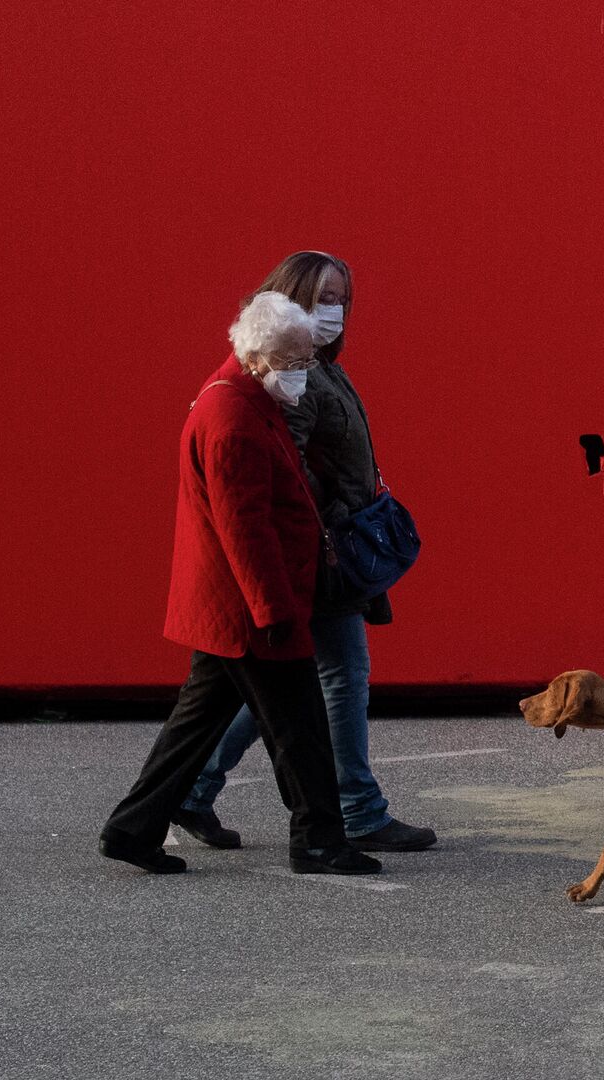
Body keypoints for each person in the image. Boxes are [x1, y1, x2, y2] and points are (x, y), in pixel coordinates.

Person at [100, 291, 379, 876]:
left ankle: (133, 828)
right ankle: (320, 840)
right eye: (298, 362)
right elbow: (243, 530)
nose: (305, 371)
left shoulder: (241, 395)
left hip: (232, 607)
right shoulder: (233, 421)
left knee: (196, 725)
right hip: (253, 609)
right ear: (259, 358)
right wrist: (275, 613)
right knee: (300, 729)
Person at [170, 252, 436, 855]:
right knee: (341, 677)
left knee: (276, 686)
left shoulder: (319, 367)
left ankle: (193, 787)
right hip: (319, 553)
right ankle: (358, 809)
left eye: (341, 299)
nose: (333, 312)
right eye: (321, 300)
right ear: (288, 301)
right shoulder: (296, 377)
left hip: (328, 546)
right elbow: (281, 469)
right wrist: (326, 526)